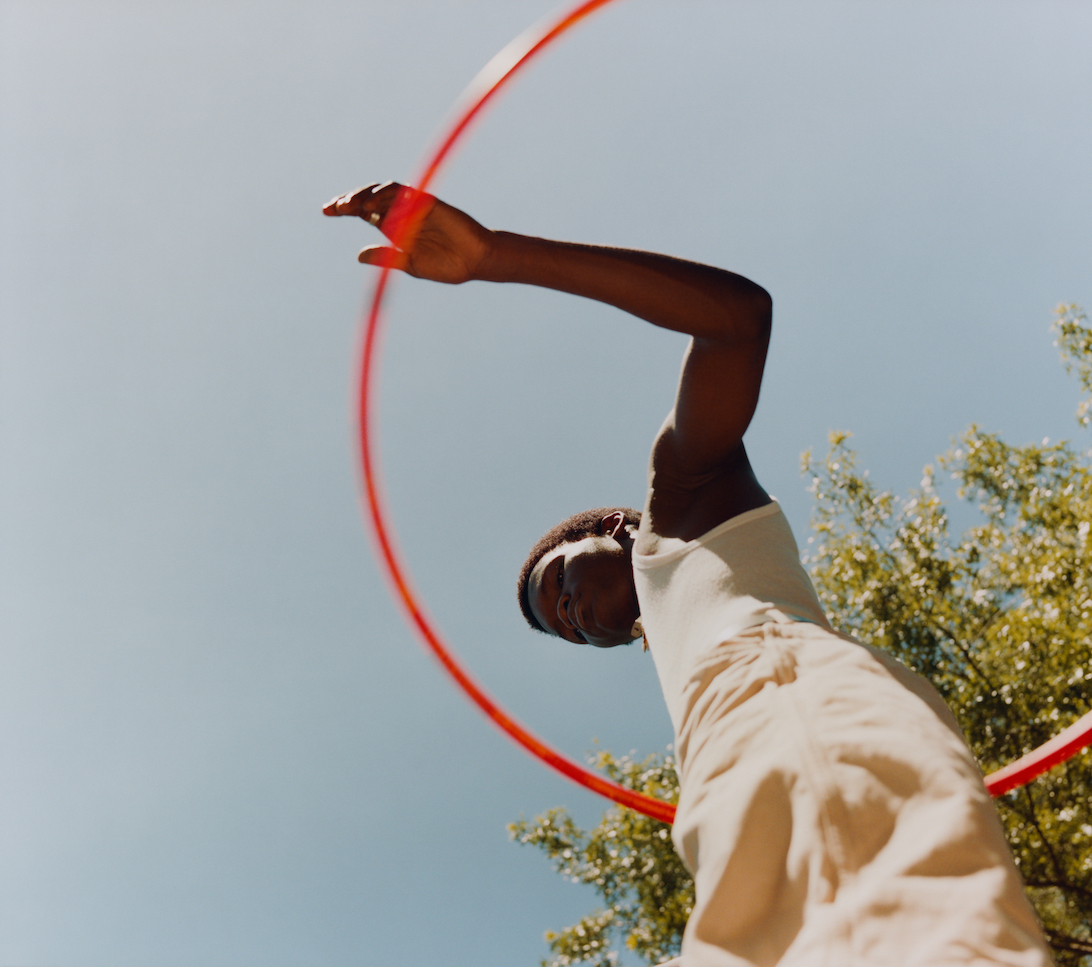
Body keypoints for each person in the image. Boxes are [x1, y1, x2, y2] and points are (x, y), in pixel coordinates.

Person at [324, 183, 1053, 967]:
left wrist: (498, 255)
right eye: (563, 624)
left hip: (784, 696)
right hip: (720, 770)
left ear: (612, 530)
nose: (570, 613)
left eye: (561, 585)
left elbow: (737, 323)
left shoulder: (680, 502)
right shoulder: (675, 643)